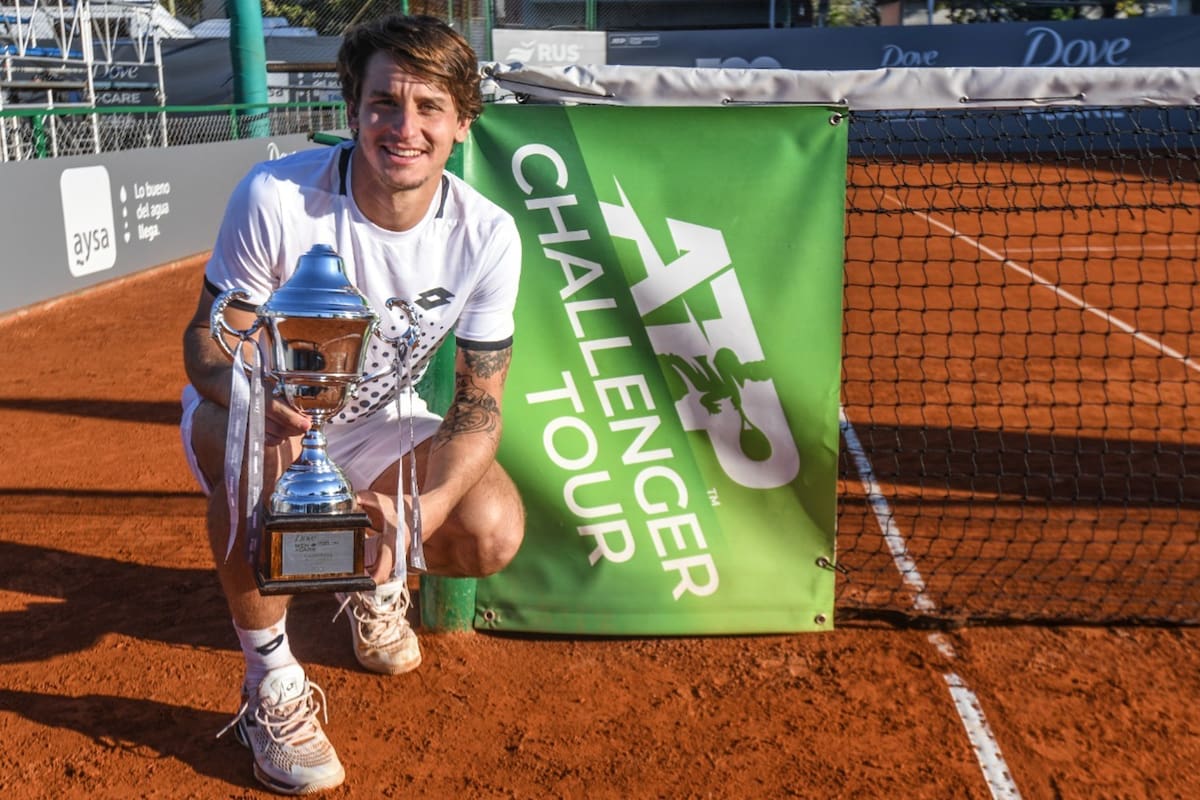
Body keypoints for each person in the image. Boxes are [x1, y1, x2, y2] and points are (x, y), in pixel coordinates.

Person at [179, 15, 524, 795]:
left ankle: (373, 574)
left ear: (462, 122)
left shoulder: (489, 235)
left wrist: (426, 512)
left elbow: (479, 403)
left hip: (381, 426)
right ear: (353, 108)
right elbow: (207, 339)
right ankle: (271, 681)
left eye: (429, 106)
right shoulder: (276, 196)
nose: (404, 128)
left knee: (491, 530)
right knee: (243, 435)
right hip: (268, 420)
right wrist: (249, 392)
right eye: (384, 104)